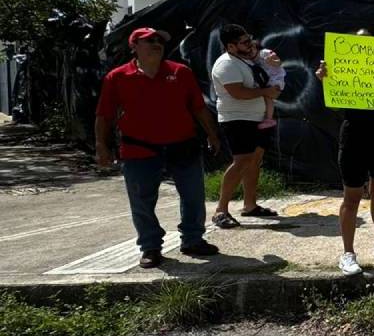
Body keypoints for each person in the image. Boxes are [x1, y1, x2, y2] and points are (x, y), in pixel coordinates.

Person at [95, 28, 222, 269]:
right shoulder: (118, 77)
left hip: (182, 144)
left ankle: (193, 240)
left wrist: (212, 134)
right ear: (134, 46)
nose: (157, 44)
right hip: (139, 149)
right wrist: (102, 146)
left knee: (194, 195)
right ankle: (151, 247)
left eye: (160, 41)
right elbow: (104, 115)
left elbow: (198, 107)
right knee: (141, 201)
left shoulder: (180, 72)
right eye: (149, 41)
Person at [314, 36, 374, 276]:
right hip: (354, 137)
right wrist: (326, 80)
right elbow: (334, 105)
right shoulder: (342, 72)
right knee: (352, 197)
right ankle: (348, 253)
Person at [210, 24, 279, 228]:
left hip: (257, 117)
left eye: (249, 39)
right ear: (231, 46)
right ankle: (220, 210)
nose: (250, 44)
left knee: (254, 160)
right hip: (237, 119)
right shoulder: (226, 64)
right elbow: (238, 92)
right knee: (241, 161)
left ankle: (250, 205)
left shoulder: (246, 60)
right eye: (244, 42)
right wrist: (267, 92)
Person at [255, 43, 287, 130]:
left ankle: (269, 119)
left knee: (267, 96)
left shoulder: (264, 53)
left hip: (277, 80)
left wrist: (272, 61)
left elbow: (279, 62)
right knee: (266, 97)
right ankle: (268, 118)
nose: (250, 53)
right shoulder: (253, 59)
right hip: (269, 81)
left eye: (252, 49)